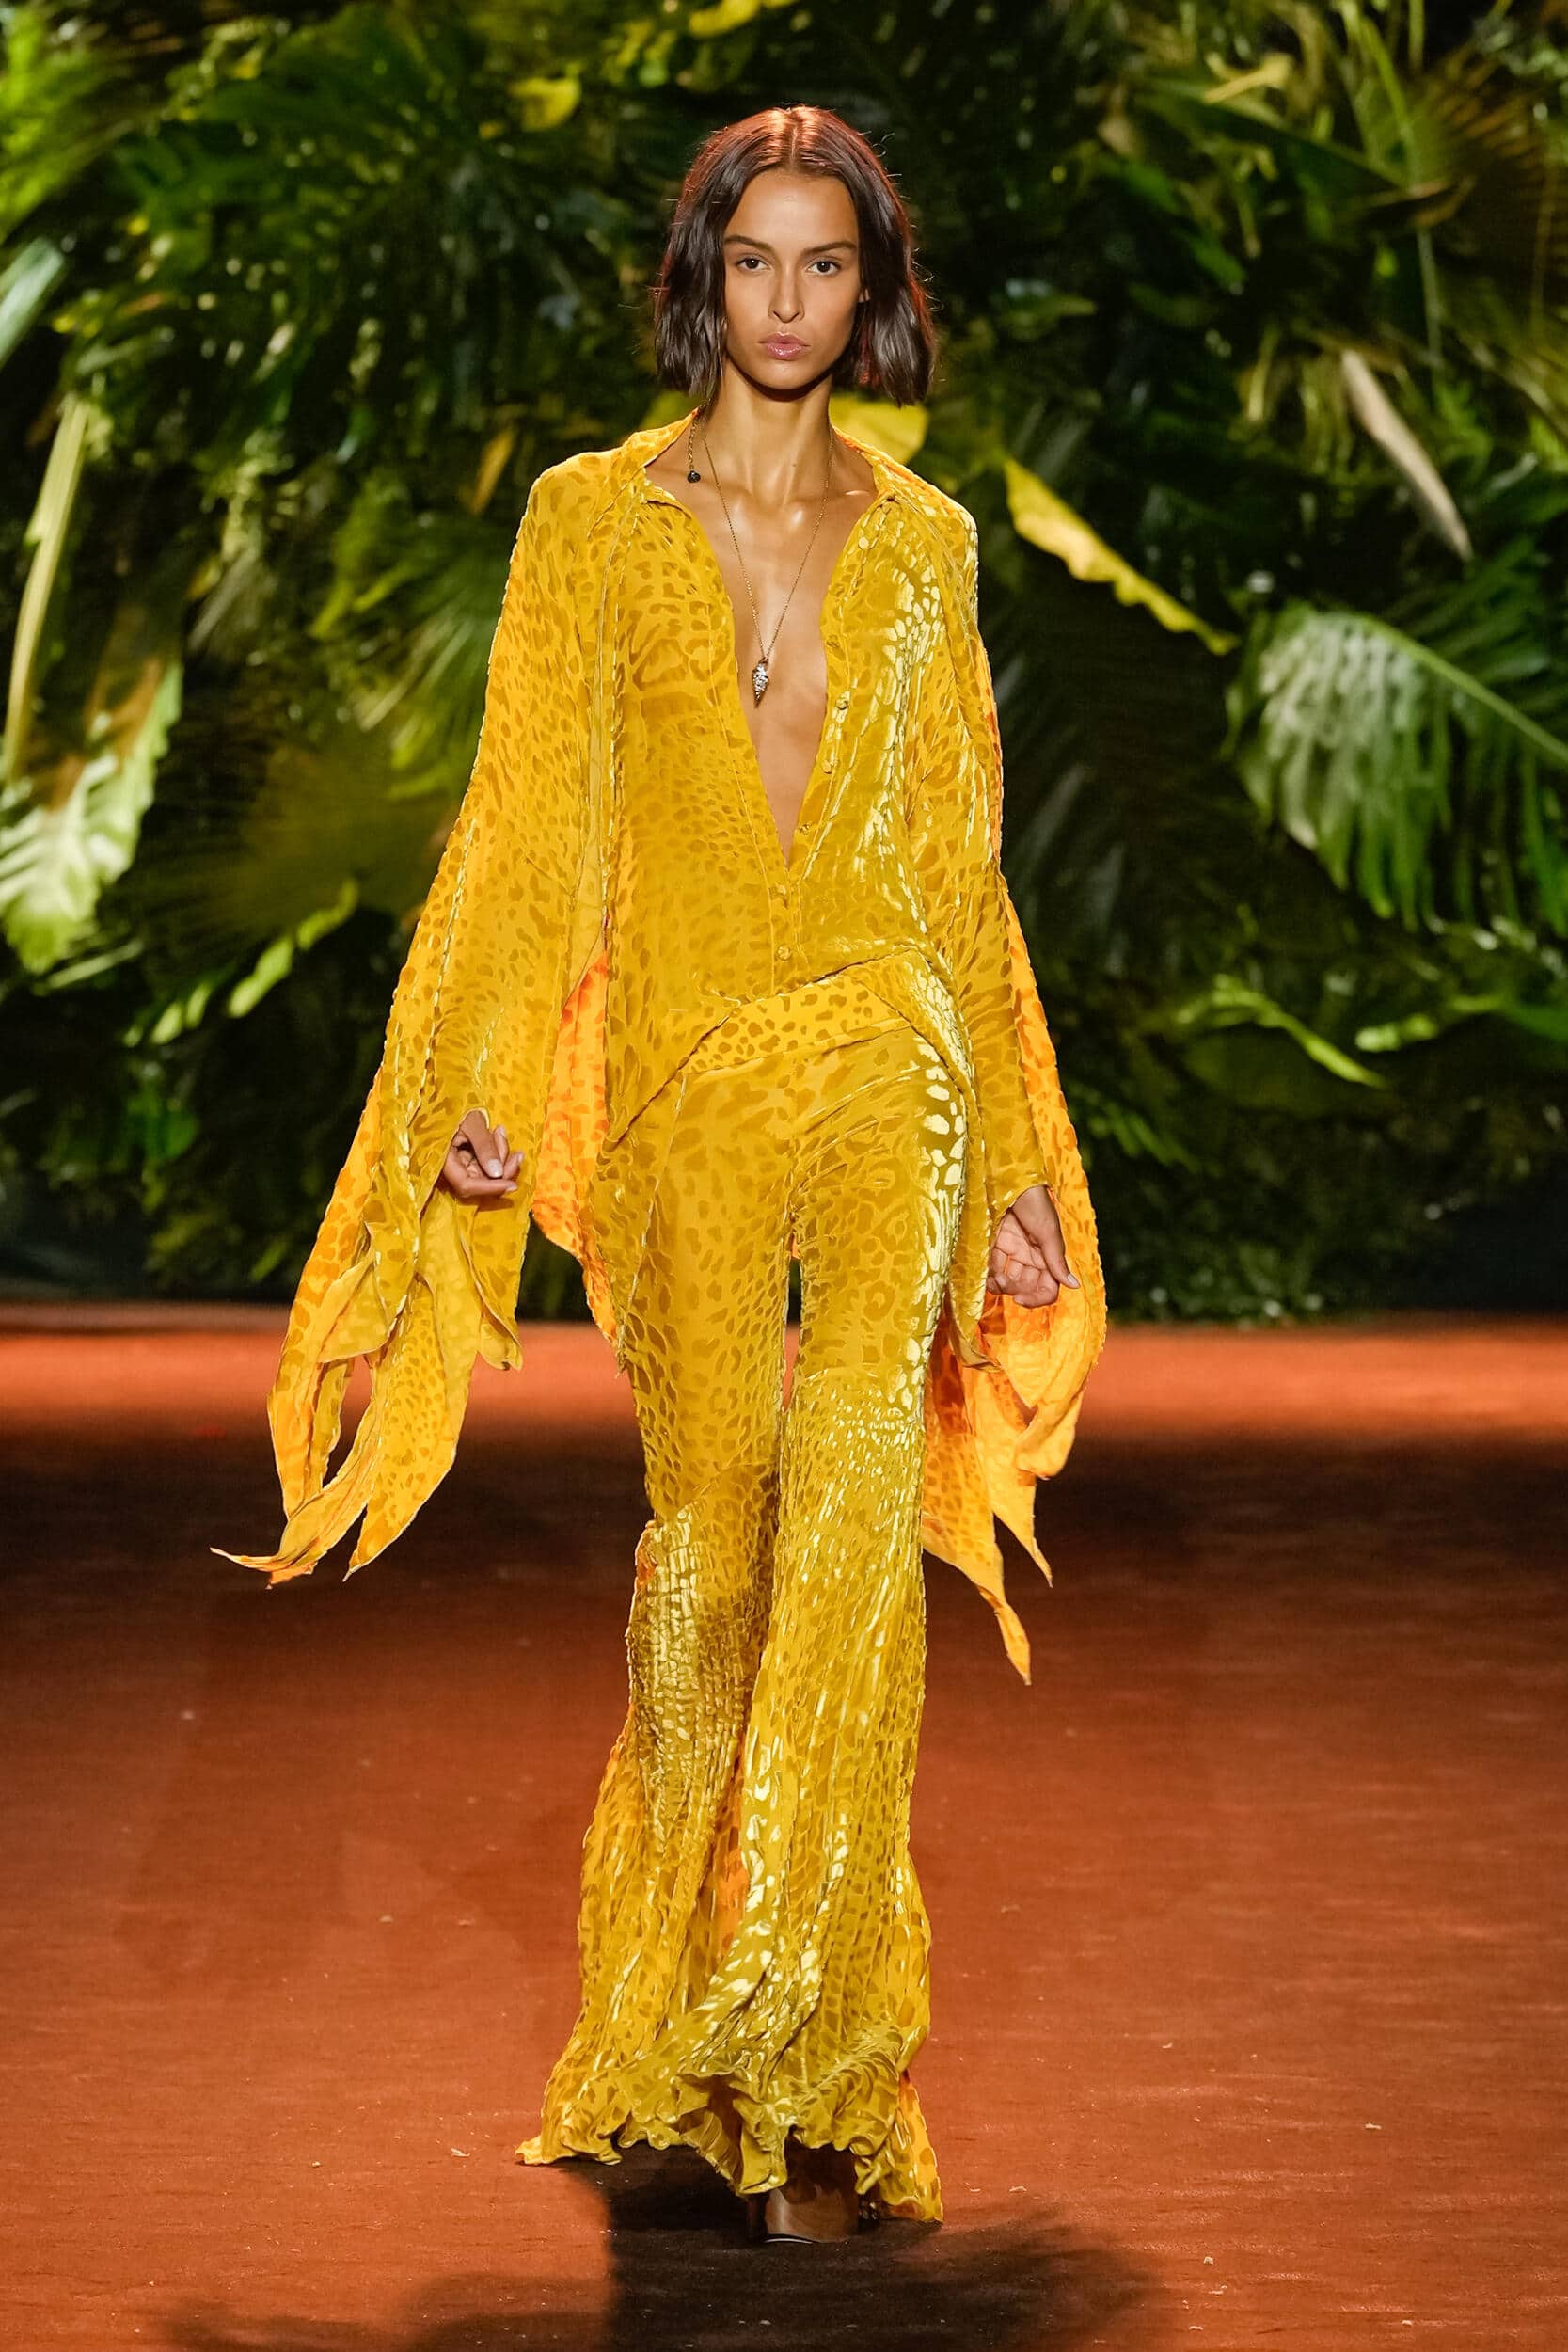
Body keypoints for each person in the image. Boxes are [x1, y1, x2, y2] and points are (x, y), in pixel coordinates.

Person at [214, 104, 1105, 2243]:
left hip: (888, 1045)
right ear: (703, 279)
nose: (789, 302)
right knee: (708, 1540)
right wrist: (477, 1076)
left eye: (827, 263)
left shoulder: (929, 543)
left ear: (872, 293)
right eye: (756, 260)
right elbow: (530, 823)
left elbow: (957, 862)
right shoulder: (590, 523)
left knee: (851, 1527)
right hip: (689, 1069)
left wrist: (1008, 1147)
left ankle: (809, 2055)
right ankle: (667, 2009)